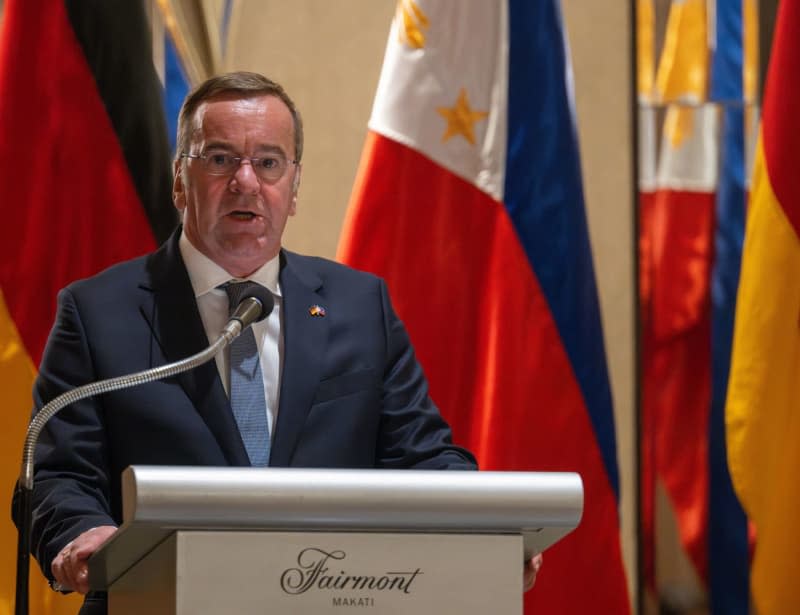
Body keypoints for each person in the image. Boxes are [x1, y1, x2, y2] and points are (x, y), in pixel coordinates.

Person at [17, 72, 540, 614]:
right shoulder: (98, 311)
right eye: (219, 159)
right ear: (179, 181)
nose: (246, 181)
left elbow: (420, 454)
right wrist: (81, 533)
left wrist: (489, 533)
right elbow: (60, 475)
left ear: (293, 186)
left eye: (269, 162)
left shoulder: (360, 305)